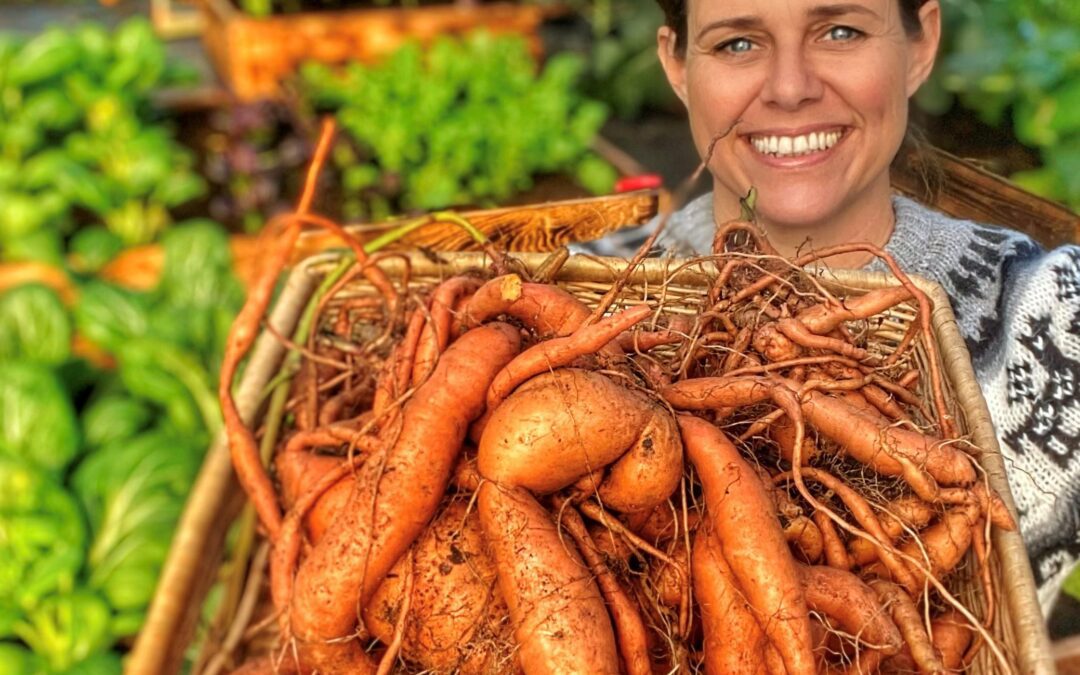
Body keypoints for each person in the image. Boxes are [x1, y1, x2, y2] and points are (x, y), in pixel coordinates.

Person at [581, 0, 1080, 612]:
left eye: (840, 31)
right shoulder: (572, 299)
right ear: (676, 64)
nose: (790, 89)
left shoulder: (1053, 317)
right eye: (738, 43)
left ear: (920, 46)